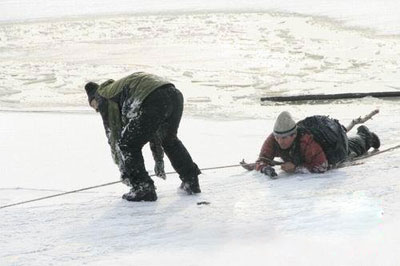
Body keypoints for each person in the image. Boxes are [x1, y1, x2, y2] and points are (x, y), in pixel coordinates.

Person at [85, 72, 201, 201]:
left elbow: (113, 134)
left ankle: (143, 188)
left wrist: (124, 170)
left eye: (93, 105)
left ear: (94, 98)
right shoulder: (117, 88)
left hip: (153, 97)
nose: (96, 109)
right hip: (173, 94)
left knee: (127, 144)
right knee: (169, 140)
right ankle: (191, 180)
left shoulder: (103, 96)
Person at [255, 111, 380, 178]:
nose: (279, 141)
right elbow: (261, 160)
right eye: (277, 137)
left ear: (293, 135)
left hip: (332, 149)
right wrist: (265, 168)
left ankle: (366, 136)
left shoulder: (306, 142)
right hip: (313, 154)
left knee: (352, 150)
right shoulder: (273, 139)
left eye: (284, 138)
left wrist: (296, 168)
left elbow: (321, 166)